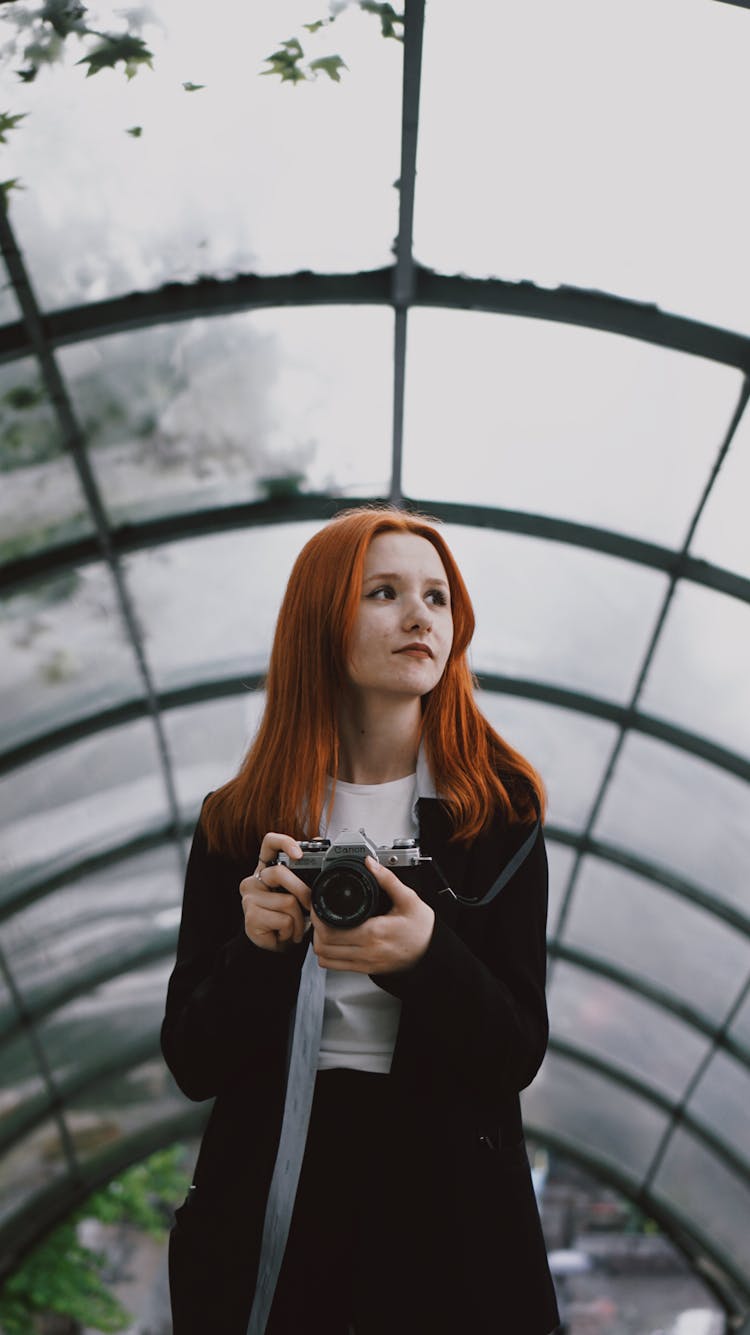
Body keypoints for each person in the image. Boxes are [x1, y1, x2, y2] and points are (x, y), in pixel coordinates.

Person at [161, 506, 560, 1335]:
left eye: (438, 598)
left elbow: (516, 1049)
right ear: (321, 621)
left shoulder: (498, 814)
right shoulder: (238, 821)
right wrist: (259, 949)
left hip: (447, 1200)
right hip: (276, 1187)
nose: (421, 618)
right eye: (384, 593)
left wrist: (426, 956)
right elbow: (193, 1060)